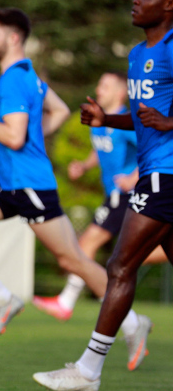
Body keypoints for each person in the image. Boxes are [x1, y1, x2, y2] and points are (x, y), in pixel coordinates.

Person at [0, 7, 148, 346]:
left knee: (73, 259)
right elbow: (61, 110)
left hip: (31, 185)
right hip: (5, 180)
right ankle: (3, 298)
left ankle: (133, 322)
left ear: (13, 38)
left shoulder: (14, 80)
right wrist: (33, 139)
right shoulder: (28, 75)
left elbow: (14, 137)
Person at [33, 0, 173, 391]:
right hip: (158, 173)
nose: (136, 1)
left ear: (169, 5)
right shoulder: (137, 54)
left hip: (165, 175)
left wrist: (170, 122)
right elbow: (143, 117)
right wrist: (106, 118)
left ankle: (88, 370)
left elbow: (162, 119)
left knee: (119, 265)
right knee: (121, 264)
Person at [33, 72, 166, 320]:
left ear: (120, 93)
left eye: (105, 86)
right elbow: (101, 151)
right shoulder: (101, 122)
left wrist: (133, 177)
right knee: (132, 255)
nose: (98, 89)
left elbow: (154, 148)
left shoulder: (127, 123)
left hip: (126, 195)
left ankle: (66, 301)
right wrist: (84, 166)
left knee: (87, 244)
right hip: (113, 195)